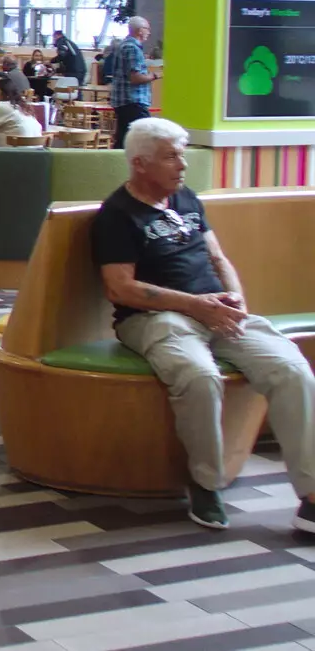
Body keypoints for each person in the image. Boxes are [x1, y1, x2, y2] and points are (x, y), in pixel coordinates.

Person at [92, 117, 315, 533]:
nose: (182, 164)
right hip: (156, 318)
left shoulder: (187, 199)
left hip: (217, 312)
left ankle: (313, 496)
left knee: (292, 369)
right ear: (140, 163)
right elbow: (120, 288)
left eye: (182, 154)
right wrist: (196, 306)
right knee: (198, 376)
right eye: (171, 156)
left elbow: (217, 258)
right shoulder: (117, 215)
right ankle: (206, 483)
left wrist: (237, 301)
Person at [108, 15, 156, 147]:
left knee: (124, 140)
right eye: (147, 29)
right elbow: (135, 78)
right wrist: (156, 75)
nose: (149, 32)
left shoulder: (123, 45)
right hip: (133, 102)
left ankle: (117, 165)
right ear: (140, 30)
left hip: (123, 102)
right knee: (144, 139)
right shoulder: (132, 48)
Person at [0, 77, 42, 144]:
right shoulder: (24, 107)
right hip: (35, 152)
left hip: (12, 153)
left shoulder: (2, 106)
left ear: (6, 93)